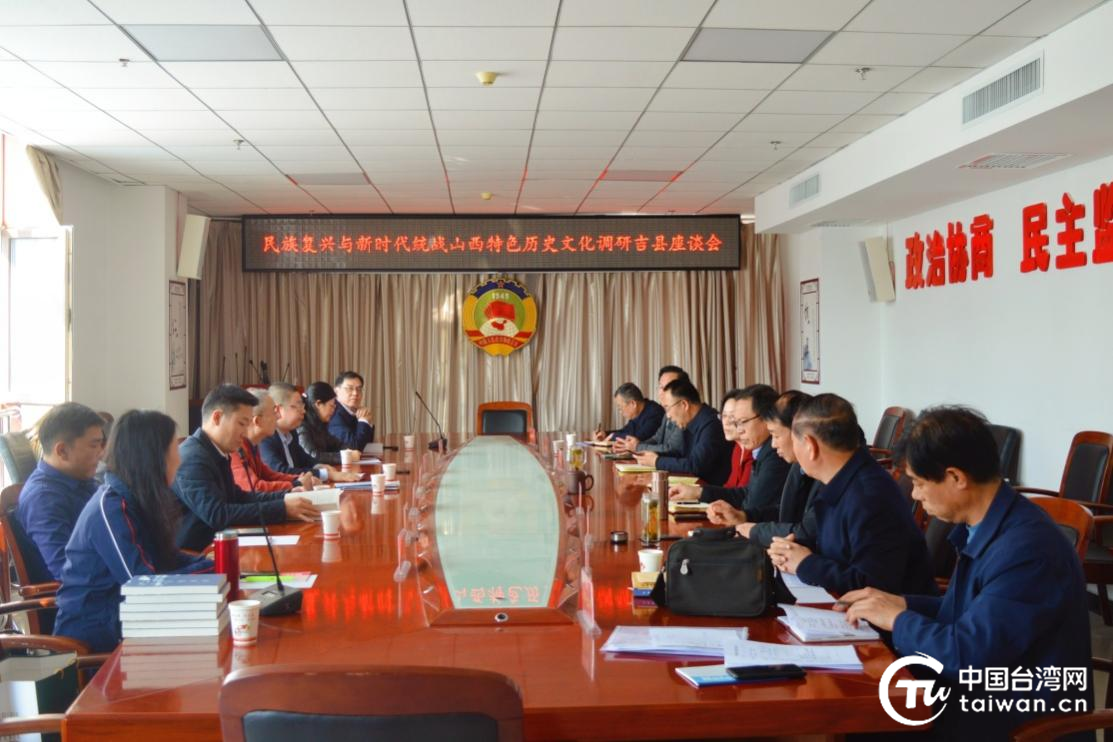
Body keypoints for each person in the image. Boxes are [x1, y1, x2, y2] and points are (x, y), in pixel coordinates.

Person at [837, 407, 1093, 739]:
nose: (914, 494)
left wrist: (897, 620)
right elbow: (971, 613)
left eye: (919, 482)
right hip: (977, 697)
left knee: (857, 721)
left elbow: (967, 656)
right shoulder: (988, 525)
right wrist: (900, 603)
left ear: (956, 478)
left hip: (1014, 720)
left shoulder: (1027, 551)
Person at [53, 410, 213, 652]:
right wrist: (213, 569)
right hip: (97, 642)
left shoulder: (136, 499)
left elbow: (167, 557)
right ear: (152, 458)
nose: (179, 460)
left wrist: (210, 564)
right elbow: (142, 584)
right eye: (174, 450)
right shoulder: (111, 508)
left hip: (131, 622)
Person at [767, 393, 936, 596]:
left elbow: (874, 584)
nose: (774, 445)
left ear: (810, 446)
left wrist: (805, 563)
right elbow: (839, 550)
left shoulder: (869, 496)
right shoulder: (842, 478)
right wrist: (792, 551)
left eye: (795, 441)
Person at [174, 384, 317, 552]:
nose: (246, 432)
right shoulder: (192, 457)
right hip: (194, 554)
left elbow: (238, 496)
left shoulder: (217, 450)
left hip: (221, 543)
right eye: (242, 424)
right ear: (217, 418)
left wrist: (286, 497)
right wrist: (282, 508)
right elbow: (218, 514)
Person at [705, 390, 821, 549]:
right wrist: (743, 516)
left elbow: (806, 532)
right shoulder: (797, 465)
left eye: (776, 435)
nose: (774, 444)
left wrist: (754, 530)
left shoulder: (820, 473)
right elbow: (785, 513)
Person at [15, 402, 106, 582]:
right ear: (62, 451)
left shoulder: (83, 481)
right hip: (78, 596)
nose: (101, 453)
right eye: (94, 446)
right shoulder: (43, 498)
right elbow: (67, 571)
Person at [670, 385, 789, 522]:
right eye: (736, 423)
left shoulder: (775, 454)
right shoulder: (759, 449)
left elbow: (751, 504)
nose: (739, 430)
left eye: (743, 422)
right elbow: (744, 493)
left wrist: (736, 515)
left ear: (765, 418)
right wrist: (698, 492)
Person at [633, 377, 733, 485]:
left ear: (684, 405)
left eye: (667, 408)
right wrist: (650, 456)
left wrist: (657, 461)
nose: (668, 416)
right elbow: (679, 453)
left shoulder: (712, 424)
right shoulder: (689, 421)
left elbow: (695, 466)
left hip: (710, 489)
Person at [259, 383, 359, 483]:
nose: (303, 411)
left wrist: (317, 465)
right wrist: (326, 474)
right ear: (278, 410)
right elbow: (280, 471)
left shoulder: (292, 433)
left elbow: (305, 459)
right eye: (297, 406)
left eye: (302, 405)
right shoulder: (265, 438)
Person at [232, 389, 319, 494]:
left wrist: (298, 479)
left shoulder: (253, 444)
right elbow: (255, 487)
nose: (278, 416)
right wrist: (296, 484)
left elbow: (268, 475)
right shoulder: (235, 448)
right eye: (274, 412)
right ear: (257, 421)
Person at [614, 365, 687, 456]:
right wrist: (634, 447)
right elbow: (657, 439)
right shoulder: (667, 410)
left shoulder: (684, 412)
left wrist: (637, 447)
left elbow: (671, 449)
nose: (662, 392)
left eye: (668, 387)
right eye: (661, 387)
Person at [299, 382, 359, 466]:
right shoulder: (302, 426)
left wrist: (350, 451)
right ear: (318, 404)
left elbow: (338, 445)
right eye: (331, 406)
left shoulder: (319, 425)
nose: (333, 410)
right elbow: (313, 457)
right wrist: (346, 457)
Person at [593, 383, 664, 443]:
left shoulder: (654, 414)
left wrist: (613, 437)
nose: (620, 412)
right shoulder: (638, 412)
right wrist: (606, 434)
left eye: (620, 408)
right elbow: (626, 431)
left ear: (633, 404)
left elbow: (637, 439)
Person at [329, 371, 375, 449]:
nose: (355, 393)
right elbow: (354, 447)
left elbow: (367, 443)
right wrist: (363, 420)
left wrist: (367, 421)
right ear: (336, 391)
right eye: (349, 388)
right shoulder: (334, 413)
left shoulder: (352, 410)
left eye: (359, 389)